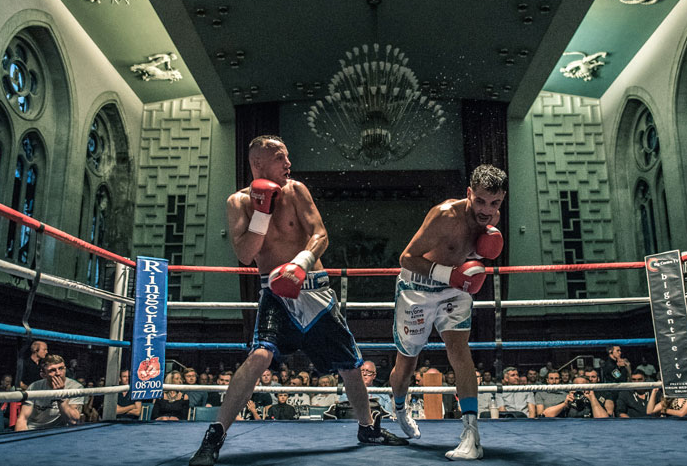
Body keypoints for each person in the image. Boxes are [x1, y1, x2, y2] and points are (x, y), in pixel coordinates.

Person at [190, 135, 406, 466]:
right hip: (275, 292)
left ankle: (368, 428)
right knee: (259, 355)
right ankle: (215, 435)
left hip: (314, 288)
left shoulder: (296, 191)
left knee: (350, 364)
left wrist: (299, 264)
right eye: (280, 157)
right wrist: (261, 212)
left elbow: (321, 234)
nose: (288, 163)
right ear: (258, 163)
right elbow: (246, 255)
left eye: (288, 156)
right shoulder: (238, 203)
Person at [388, 164, 507, 460]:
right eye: (479, 200)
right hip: (417, 288)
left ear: (501, 199)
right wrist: (449, 276)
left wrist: (465, 271)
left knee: (459, 349)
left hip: (454, 290)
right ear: (469, 193)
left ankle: (471, 433)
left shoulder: (492, 220)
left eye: (494, 203)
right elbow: (406, 258)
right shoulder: (445, 215)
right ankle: (400, 408)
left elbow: (469, 258)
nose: (486, 210)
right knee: (406, 365)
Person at [15, 355, 83, 431]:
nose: (58, 373)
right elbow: (23, 418)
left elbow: (73, 420)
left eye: (61, 368)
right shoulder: (34, 387)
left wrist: (61, 396)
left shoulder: (75, 387)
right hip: (34, 429)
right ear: (43, 374)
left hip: (58, 431)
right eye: (52, 370)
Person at [541, 377, 609, 418]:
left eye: (582, 386)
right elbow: (545, 415)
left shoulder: (594, 401)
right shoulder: (568, 400)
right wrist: (564, 404)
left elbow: (603, 419)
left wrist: (592, 398)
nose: (579, 390)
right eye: (576, 387)